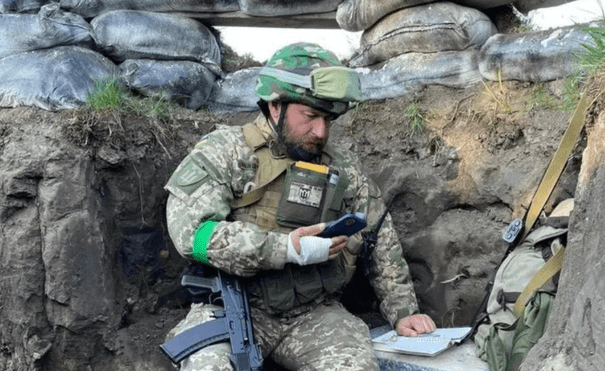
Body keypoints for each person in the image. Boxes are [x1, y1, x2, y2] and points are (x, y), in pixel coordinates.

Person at [164, 42, 436, 371]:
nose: (321, 131)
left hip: (312, 313)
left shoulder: (341, 167)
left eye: (327, 119)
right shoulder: (226, 152)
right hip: (232, 306)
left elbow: (378, 233)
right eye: (310, 116)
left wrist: (404, 311)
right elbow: (193, 235)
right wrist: (286, 248)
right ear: (275, 106)